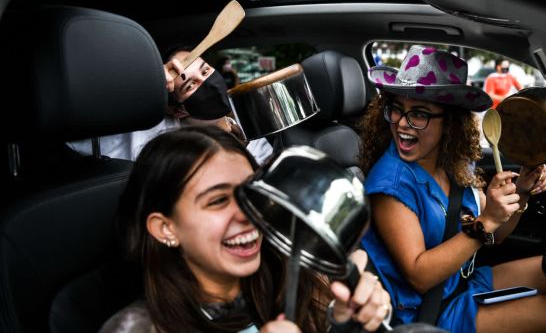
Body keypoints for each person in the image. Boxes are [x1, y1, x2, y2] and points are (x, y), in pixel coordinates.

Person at [358, 45, 546, 333]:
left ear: (450, 122)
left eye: (419, 114)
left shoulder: (453, 162)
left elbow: (495, 236)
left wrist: (519, 193)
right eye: (396, 109)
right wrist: (487, 221)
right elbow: (419, 276)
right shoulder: (390, 183)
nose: (401, 124)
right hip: (429, 312)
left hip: (462, 283)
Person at [100, 124, 392, 333]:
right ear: (166, 228)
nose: (248, 214)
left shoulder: (293, 278)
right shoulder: (138, 328)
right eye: (217, 200)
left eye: (249, 193)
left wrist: (345, 320)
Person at [68, 46, 274, 165]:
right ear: (179, 109)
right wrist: (139, 88)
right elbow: (76, 132)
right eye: (190, 84)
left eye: (205, 71)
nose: (207, 83)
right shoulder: (148, 141)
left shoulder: (248, 128)